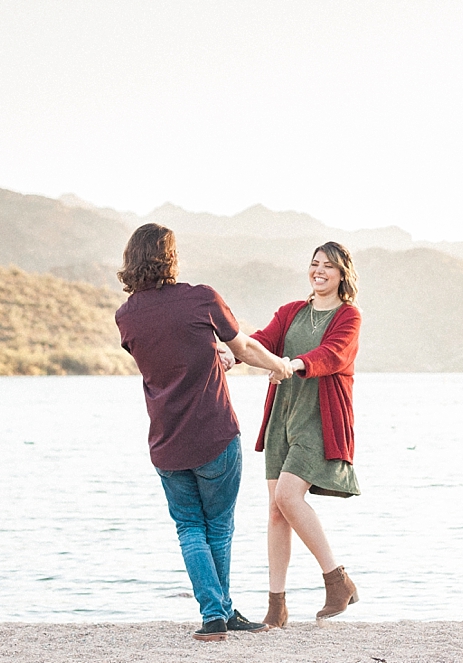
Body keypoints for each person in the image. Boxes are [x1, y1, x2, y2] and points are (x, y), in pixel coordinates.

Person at [115, 223, 292, 642]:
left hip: (166, 439)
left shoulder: (126, 316)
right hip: (213, 433)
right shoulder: (201, 298)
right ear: (170, 257)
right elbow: (244, 347)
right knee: (219, 526)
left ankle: (218, 615)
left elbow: (168, 354)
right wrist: (280, 366)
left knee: (189, 527)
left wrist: (212, 353)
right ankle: (218, 613)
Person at [251, 241, 362, 627]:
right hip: (282, 415)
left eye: (329, 266)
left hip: (319, 418)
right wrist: (234, 352)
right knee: (276, 512)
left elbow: (334, 354)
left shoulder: (349, 317)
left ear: (342, 274)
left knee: (287, 495)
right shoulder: (291, 312)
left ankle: (337, 580)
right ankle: (277, 605)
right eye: (315, 264)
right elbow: (261, 341)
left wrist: (292, 362)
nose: (319, 271)